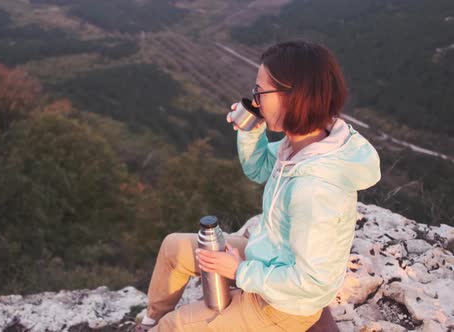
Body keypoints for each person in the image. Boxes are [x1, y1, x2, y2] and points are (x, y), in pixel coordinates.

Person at [133, 40, 381, 332]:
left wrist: (239, 272)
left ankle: (163, 326)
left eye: (261, 92)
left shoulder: (315, 188)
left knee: (175, 327)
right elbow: (260, 169)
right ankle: (150, 320)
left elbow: (312, 283)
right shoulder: (304, 142)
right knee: (174, 248)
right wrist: (252, 132)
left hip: (282, 307)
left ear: (293, 97)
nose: (255, 100)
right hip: (267, 257)